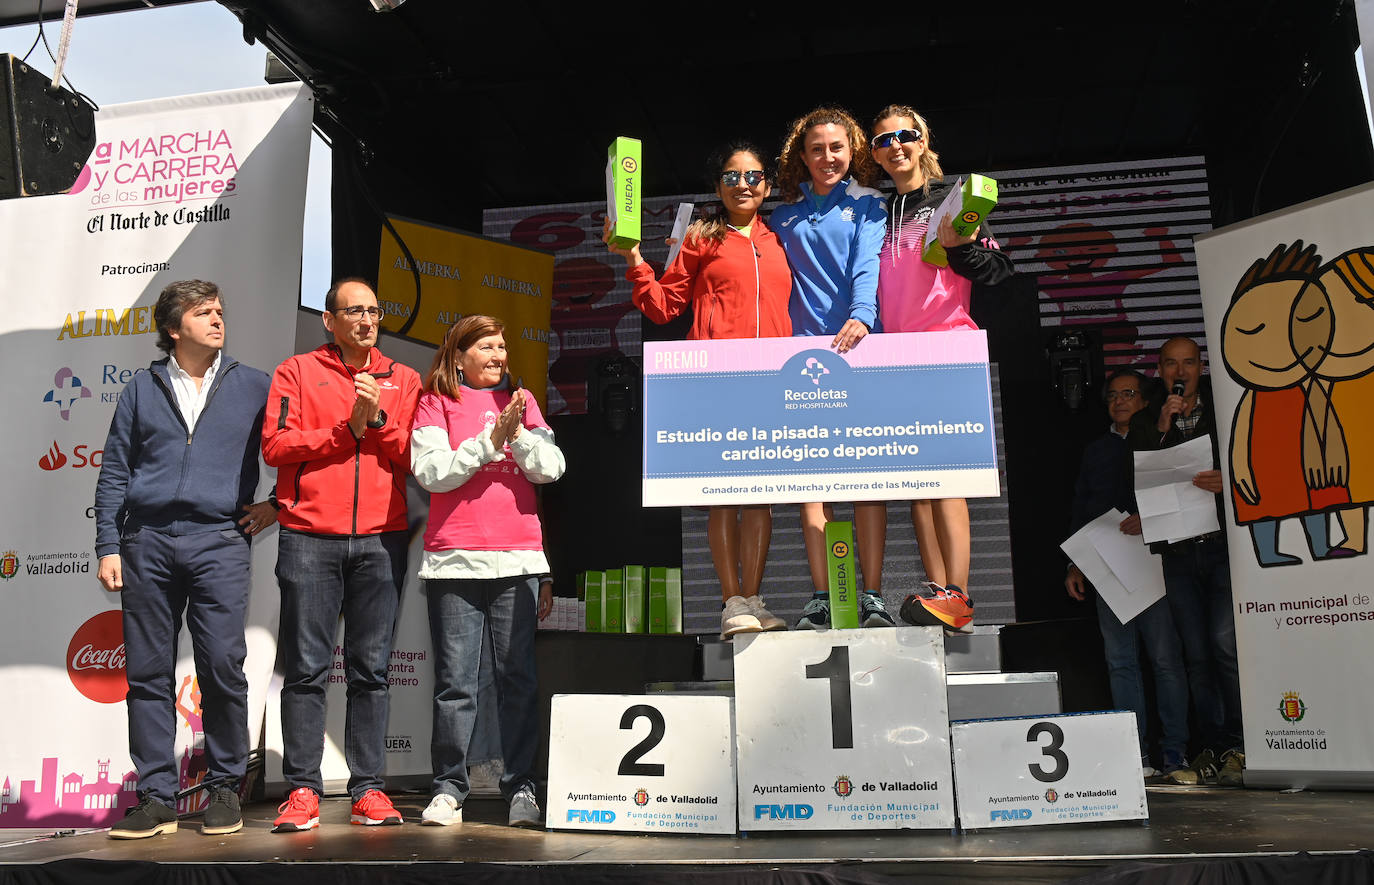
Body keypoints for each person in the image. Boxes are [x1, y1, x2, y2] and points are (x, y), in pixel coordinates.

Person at [94, 279, 275, 838]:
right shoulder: (140, 389)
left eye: (220, 310)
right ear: (174, 329)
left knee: (222, 665)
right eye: (204, 313)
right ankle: (155, 797)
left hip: (220, 540)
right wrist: (108, 544)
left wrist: (278, 504)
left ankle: (224, 788)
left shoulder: (254, 386)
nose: (218, 319)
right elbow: (114, 472)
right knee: (147, 673)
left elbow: (296, 450)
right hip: (145, 541)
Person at [604, 141, 792, 639]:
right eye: (732, 177)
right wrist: (635, 258)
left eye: (754, 176)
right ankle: (731, 603)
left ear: (767, 186)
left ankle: (754, 597)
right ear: (717, 188)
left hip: (773, 380)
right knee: (724, 496)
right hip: (716, 380)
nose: (744, 184)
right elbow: (664, 306)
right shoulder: (701, 238)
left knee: (761, 498)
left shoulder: (781, 239)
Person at [263, 277, 421, 830]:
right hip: (309, 537)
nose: (366, 320)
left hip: (381, 539)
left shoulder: (403, 379)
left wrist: (375, 423)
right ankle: (303, 789)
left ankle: (368, 789)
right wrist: (341, 431)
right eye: (354, 311)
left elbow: (415, 458)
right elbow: (276, 446)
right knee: (306, 669)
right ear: (329, 320)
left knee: (371, 671)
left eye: (374, 311)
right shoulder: (297, 371)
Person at [410, 315, 565, 828]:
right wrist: (486, 442)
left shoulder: (522, 403)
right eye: (487, 347)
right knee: (456, 684)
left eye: (503, 346)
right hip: (455, 558)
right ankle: (449, 789)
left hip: (517, 558)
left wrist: (514, 433)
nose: (499, 355)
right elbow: (432, 473)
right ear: (459, 356)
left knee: (517, 678)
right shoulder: (436, 402)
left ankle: (522, 787)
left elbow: (551, 468)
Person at [867, 104, 1015, 631]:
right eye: (884, 140)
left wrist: (962, 249)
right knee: (919, 482)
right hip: (894, 355)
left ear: (925, 140)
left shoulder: (952, 203)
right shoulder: (877, 212)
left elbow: (999, 269)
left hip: (946, 348)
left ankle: (961, 593)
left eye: (906, 136)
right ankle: (940, 592)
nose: (896, 146)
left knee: (946, 478)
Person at [772, 106, 892, 629]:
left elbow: (868, 262)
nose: (827, 157)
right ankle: (822, 596)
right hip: (803, 356)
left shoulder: (869, 204)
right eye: (816, 148)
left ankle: (872, 596)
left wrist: (862, 316)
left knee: (866, 479)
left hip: (860, 347)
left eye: (837, 147)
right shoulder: (783, 215)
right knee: (812, 481)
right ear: (802, 156)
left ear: (853, 152)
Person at [1129, 336, 1244, 786]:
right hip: (1177, 552)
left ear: (1202, 367)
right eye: (1172, 364)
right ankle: (1212, 747)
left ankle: (1241, 742)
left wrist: (1229, 483)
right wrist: (1161, 425)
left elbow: (1256, 460)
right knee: (1195, 655)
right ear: (1160, 369)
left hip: (1220, 547)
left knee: (1224, 644)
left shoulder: (1227, 409)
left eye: (1189, 363)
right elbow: (1134, 477)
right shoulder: (1145, 421)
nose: (1181, 371)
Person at [1065, 369, 1189, 777]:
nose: (1120, 401)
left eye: (1129, 393)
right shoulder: (1095, 450)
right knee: (1120, 661)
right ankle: (1136, 757)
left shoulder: (1158, 439)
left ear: (1145, 400)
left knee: (1165, 659)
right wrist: (1074, 562)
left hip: (1155, 558)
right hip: (1105, 562)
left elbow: (1182, 491)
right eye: (1113, 394)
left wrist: (1149, 517)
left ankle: (1175, 754)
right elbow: (1082, 506)